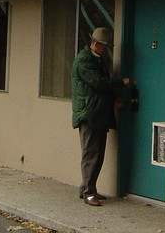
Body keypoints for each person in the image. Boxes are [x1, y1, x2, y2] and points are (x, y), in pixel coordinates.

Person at [71, 27, 130, 206]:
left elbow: (102, 85)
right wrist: (121, 82)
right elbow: (98, 82)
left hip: (98, 112)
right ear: (96, 45)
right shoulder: (84, 61)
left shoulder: (98, 60)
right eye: (104, 46)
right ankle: (89, 192)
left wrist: (114, 98)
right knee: (91, 153)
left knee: (97, 153)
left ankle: (88, 188)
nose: (105, 49)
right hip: (89, 114)